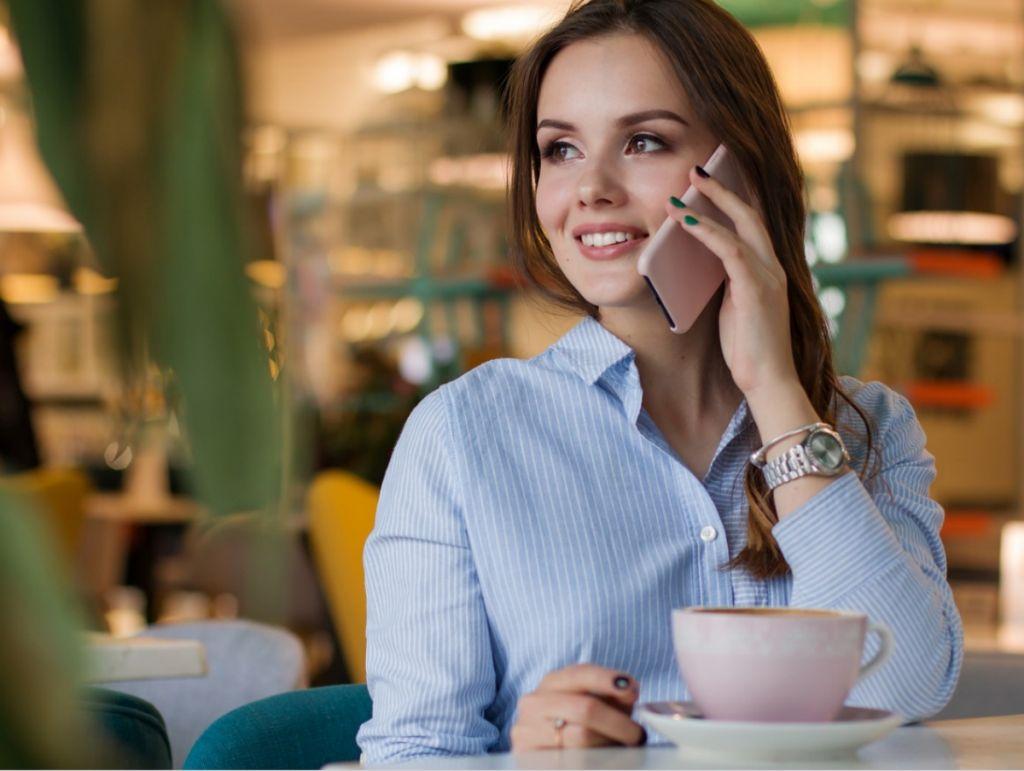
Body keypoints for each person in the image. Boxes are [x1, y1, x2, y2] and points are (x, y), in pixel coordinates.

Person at [356, 0, 963, 763]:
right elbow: (411, 751)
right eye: (561, 149)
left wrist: (776, 390)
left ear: (740, 170)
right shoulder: (462, 434)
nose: (591, 188)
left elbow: (906, 685)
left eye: (643, 141)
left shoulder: (869, 424)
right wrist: (520, 756)